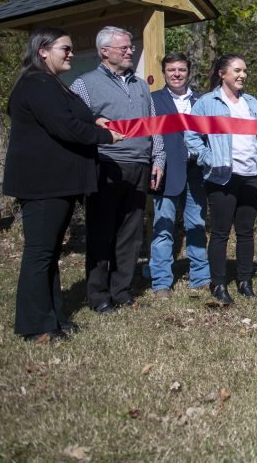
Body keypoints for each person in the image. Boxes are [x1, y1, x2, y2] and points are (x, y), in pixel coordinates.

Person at [5, 28, 124, 342]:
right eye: (65, 48)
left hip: (59, 182)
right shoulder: (36, 83)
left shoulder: (52, 84)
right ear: (43, 51)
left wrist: (95, 122)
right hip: (42, 183)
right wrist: (104, 135)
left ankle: (54, 317)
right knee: (39, 254)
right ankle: (34, 326)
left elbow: (74, 118)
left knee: (50, 253)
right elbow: (64, 126)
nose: (71, 53)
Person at [72, 26, 164, 312]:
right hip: (106, 167)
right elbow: (78, 126)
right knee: (101, 233)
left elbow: (154, 125)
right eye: (123, 48)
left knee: (131, 234)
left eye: (130, 47)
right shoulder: (83, 84)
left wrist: (157, 159)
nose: (129, 51)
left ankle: (122, 291)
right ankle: (98, 296)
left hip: (139, 166)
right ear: (105, 51)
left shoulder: (140, 85)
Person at [185, 55, 257, 304]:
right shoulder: (206, 103)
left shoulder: (251, 102)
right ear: (222, 73)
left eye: (245, 70)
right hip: (222, 176)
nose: (242, 75)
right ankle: (218, 283)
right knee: (221, 232)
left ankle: (245, 281)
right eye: (237, 70)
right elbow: (191, 135)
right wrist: (208, 157)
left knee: (246, 231)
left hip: (250, 174)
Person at [149, 53, 208, 299]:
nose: (176, 74)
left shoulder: (202, 101)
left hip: (197, 174)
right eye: (171, 70)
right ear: (164, 73)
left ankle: (201, 277)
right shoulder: (153, 100)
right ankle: (161, 281)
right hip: (166, 172)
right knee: (163, 228)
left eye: (181, 69)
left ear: (188, 72)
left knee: (197, 225)